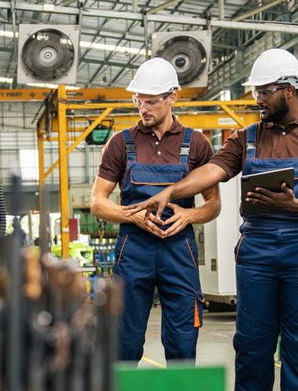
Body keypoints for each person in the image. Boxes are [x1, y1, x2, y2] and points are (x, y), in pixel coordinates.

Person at [131, 49, 298, 391]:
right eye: (256, 92)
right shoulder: (248, 137)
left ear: (289, 89)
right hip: (257, 249)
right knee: (251, 344)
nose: (258, 100)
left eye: (266, 93)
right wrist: (173, 191)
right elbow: (213, 170)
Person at [90, 58, 220, 363]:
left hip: (179, 249)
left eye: (151, 101)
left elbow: (214, 205)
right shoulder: (121, 144)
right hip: (133, 249)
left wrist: (189, 216)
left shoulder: (197, 144)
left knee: (183, 339)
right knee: (123, 340)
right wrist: (131, 216)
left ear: (172, 97)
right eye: (138, 101)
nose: (142, 108)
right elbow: (98, 202)